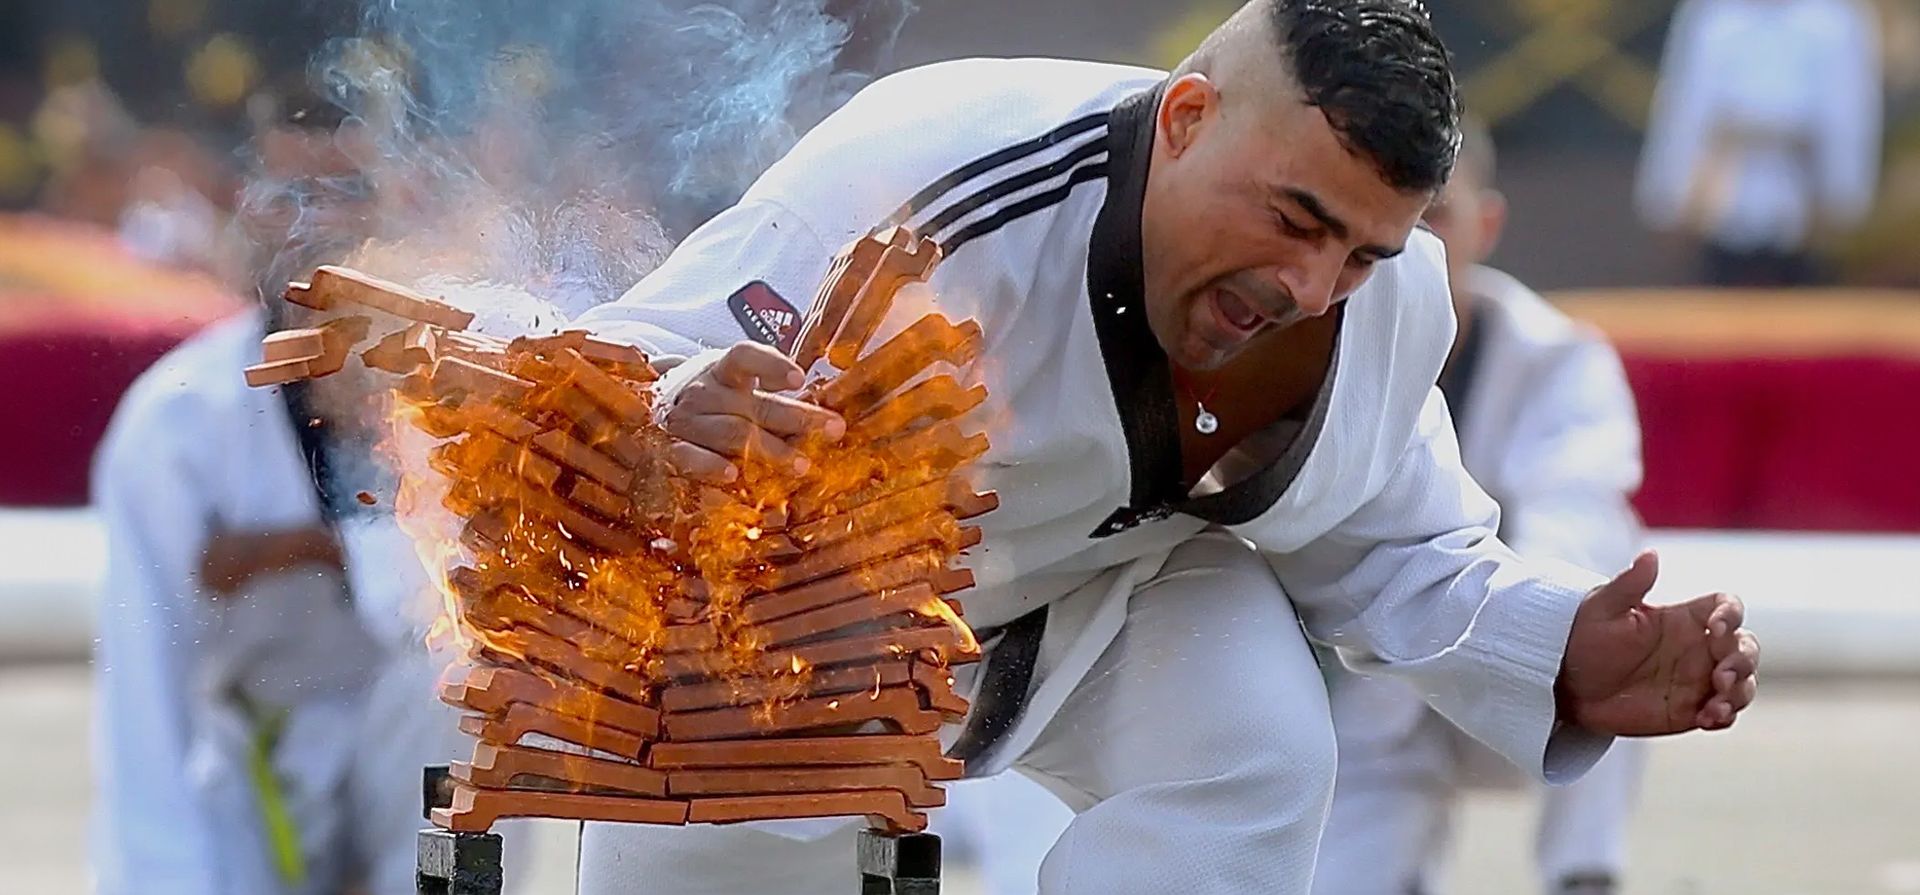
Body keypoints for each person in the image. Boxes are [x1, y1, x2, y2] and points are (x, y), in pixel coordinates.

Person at [570, 2, 1760, 892]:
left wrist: (1559, 649)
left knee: (1256, 745)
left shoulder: (1383, 303)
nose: (1310, 285)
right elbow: (607, 366)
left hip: (1094, 602)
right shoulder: (928, 178)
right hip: (783, 632)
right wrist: (674, 411)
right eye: (1293, 220)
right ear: (1186, 119)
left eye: (1358, 251)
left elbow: (1397, 547)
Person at [89, 90, 479, 895]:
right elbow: (145, 696)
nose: (320, 228)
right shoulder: (177, 423)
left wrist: (308, 548)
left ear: (395, 214)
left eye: (349, 195)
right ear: (249, 215)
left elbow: (480, 588)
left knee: (463, 695)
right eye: (292, 199)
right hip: (261, 755)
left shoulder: (453, 393)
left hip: (408, 751)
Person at [1312, 118, 1649, 895]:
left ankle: (1583, 874)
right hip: (1367, 702)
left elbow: (1578, 518)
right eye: (1388, 215)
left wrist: (1500, 612)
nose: (1410, 246)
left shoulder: (1560, 358)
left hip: (1529, 671)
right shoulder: (1306, 350)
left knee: (1623, 598)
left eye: (1435, 215)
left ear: (1485, 224)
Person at [1635, 0, 1882, 286]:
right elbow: (1683, 111)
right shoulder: (1712, 16)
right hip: (1721, 204)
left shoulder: (1834, 21)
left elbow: (1850, 119)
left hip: (1802, 203)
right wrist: (1669, 199)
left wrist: (1843, 201)